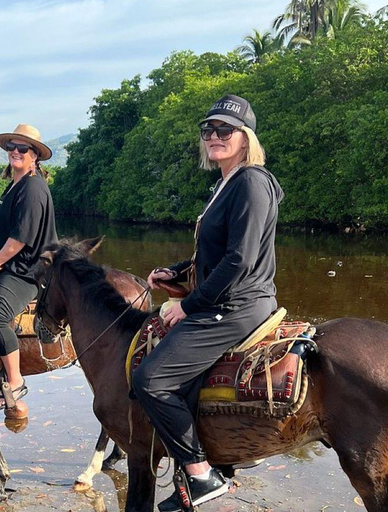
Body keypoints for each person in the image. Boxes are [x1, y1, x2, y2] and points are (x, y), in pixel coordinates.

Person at [132, 94, 284, 511]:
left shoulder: (251, 181)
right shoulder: (226, 182)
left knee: (151, 380)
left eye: (225, 130)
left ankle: (200, 476)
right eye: (208, 130)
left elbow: (240, 259)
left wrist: (191, 303)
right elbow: (214, 253)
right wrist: (176, 271)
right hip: (230, 299)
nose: (214, 137)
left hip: (237, 306)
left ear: (245, 137)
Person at [0, 124, 57, 411]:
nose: (16, 152)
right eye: (12, 147)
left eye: (23, 148)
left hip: (26, 269)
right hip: (9, 263)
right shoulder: (15, 184)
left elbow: (21, 237)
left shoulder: (33, 187)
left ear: (35, 156)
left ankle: (15, 380)